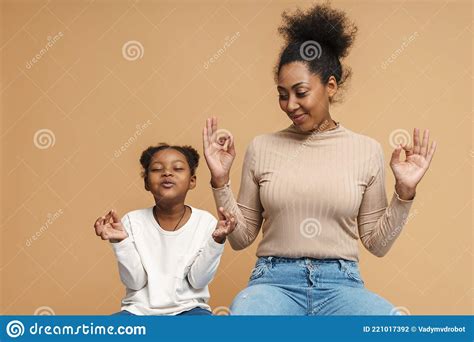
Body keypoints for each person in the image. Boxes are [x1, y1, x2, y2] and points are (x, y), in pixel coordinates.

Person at [202, 3, 436, 315]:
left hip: (342, 285)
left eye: (300, 92)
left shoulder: (366, 150)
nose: (290, 104)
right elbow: (241, 238)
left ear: (330, 86)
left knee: (394, 328)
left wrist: (404, 193)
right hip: (273, 283)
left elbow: (377, 244)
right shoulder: (262, 147)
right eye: (282, 94)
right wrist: (220, 181)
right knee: (244, 321)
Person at [94, 143, 236, 315]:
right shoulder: (132, 221)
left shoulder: (205, 222)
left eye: (177, 168)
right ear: (146, 182)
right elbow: (135, 282)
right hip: (138, 313)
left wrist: (217, 241)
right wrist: (120, 242)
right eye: (156, 169)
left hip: (190, 312)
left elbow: (198, 281)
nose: (167, 173)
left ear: (192, 181)